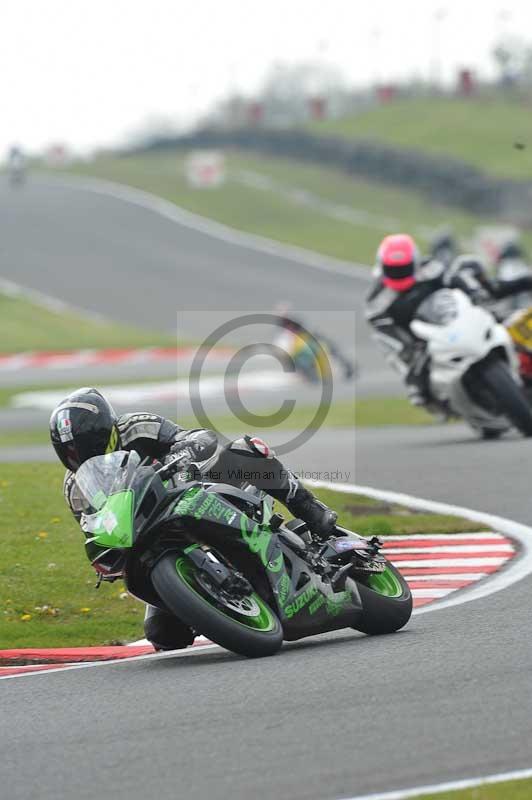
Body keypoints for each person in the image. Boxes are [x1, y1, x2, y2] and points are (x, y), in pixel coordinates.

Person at [49, 387, 338, 651]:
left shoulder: (137, 426)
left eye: (85, 445)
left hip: (188, 486)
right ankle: (216, 599)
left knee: (246, 450)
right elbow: (95, 526)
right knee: (163, 635)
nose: (79, 455)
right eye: (70, 451)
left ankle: (312, 512)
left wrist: (183, 453)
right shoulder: (75, 488)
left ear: (105, 432)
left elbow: (197, 437)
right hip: (149, 535)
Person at [366, 233, 532, 408]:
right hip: (421, 338)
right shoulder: (377, 300)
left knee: (501, 322)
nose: (399, 274)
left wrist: (473, 293)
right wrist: (407, 346)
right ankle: (419, 388)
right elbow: (384, 331)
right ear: (382, 267)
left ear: (414, 262)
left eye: (403, 268)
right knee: (412, 370)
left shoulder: (431, 268)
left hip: (454, 314)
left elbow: (454, 279)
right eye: (393, 270)